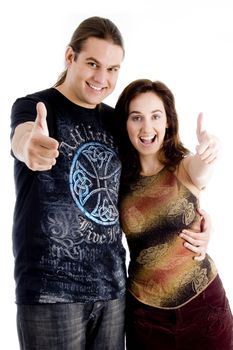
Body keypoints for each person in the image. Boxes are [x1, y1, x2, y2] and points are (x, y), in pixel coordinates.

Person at [10, 17, 211, 350]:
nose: (102, 79)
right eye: (93, 64)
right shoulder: (36, 107)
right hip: (51, 292)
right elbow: (23, 137)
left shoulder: (116, 121)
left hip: (113, 291)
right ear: (69, 57)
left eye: (113, 68)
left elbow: (154, 180)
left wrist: (200, 219)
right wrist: (29, 147)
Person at [115, 79, 233, 350]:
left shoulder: (184, 167)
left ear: (168, 121)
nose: (147, 128)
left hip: (204, 309)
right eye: (136, 118)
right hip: (147, 318)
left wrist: (209, 147)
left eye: (155, 116)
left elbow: (202, 167)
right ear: (126, 124)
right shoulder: (118, 180)